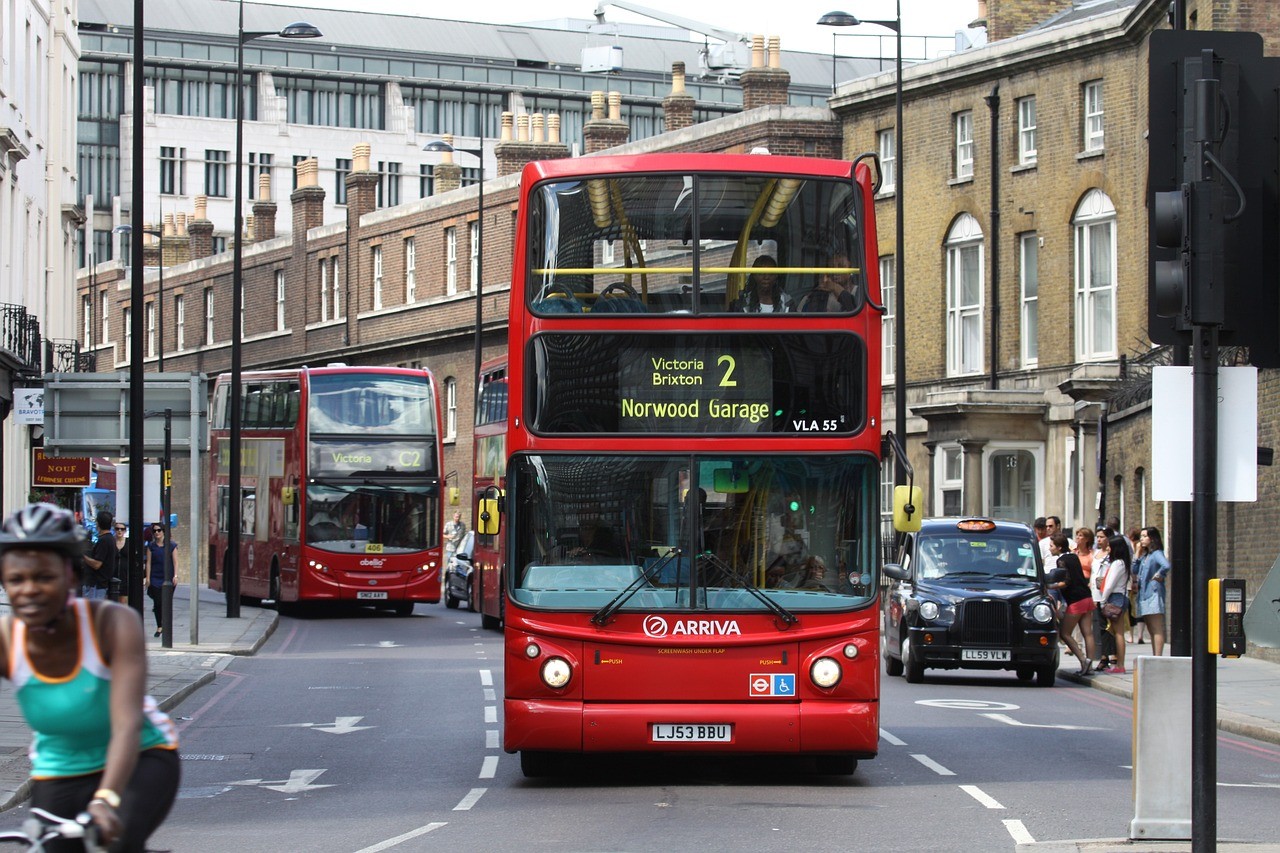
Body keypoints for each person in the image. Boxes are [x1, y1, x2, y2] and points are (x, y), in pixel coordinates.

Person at [0, 503, 180, 851]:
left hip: (140, 757)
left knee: (116, 839)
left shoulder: (112, 624)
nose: (29, 590)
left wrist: (106, 798)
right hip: (60, 770)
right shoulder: (9, 640)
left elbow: (126, 724)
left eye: (44, 577)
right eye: (16, 580)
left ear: (70, 576)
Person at [1057, 551, 1098, 675]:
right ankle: (1090, 665)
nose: (1050, 548)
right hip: (1086, 596)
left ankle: (1082, 659)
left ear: (1058, 547)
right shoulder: (1073, 557)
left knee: (1065, 633)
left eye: (1052, 545)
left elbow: (1066, 581)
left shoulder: (1061, 560)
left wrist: (1049, 586)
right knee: (1088, 634)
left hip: (1075, 600)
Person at [1134, 526, 1171, 657]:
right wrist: (1137, 554)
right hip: (1144, 594)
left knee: (1156, 628)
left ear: (1152, 538)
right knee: (1150, 627)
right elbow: (1134, 570)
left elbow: (1166, 565)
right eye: (1141, 536)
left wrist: (1159, 574)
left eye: (1145, 536)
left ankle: (1158, 656)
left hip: (1153, 593)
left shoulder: (1156, 554)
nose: (1142, 539)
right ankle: (1154, 654)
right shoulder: (1145, 556)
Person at [1098, 533, 1132, 674]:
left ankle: (1120, 665)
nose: (1108, 549)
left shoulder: (1118, 563)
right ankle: (1119, 664)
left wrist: (1103, 600)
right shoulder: (1123, 563)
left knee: (1118, 633)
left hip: (1115, 597)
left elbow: (1110, 585)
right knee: (1116, 632)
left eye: (1110, 547)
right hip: (1119, 597)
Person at [144, 523, 177, 638]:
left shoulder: (171, 546)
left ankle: (166, 625)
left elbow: (175, 562)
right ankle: (159, 626)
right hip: (155, 577)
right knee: (157, 603)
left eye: (159, 530)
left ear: (163, 531)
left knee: (166, 602)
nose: (157, 533)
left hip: (168, 577)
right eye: (155, 531)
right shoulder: (151, 547)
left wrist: (176, 575)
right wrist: (147, 578)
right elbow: (148, 563)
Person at [82, 510, 117, 601]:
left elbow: (97, 564)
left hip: (97, 584)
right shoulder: (110, 539)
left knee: (92, 612)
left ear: (98, 523)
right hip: (101, 584)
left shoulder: (104, 541)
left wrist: (83, 557)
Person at [1127, 527, 1146, 644]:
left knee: (1132, 609)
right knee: (1137, 609)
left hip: (1133, 580)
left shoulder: (1134, 547)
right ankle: (1140, 635)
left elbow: (1134, 566)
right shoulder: (1143, 548)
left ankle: (1131, 635)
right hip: (1139, 580)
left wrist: (1133, 581)